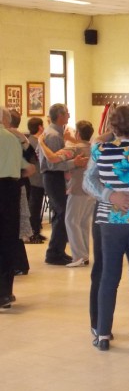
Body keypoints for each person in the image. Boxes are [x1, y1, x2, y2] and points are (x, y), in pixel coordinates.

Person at [90, 105, 129, 352]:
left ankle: (103, 334)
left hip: (110, 221)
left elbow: (89, 181)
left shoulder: (101, 151)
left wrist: (110, 194)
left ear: (113, 126)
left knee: (108, 278)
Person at [38, 120, 96, 267]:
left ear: (77, 133)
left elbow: (52, 158)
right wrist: (69, 140)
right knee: (83, 222)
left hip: (77, 189)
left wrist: (41, 143)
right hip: (91, 191)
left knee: (71, 221)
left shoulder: (75, 149)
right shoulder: (94, 148)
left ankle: (78, 256)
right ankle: (84, 255)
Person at [0, 106, 35, 309]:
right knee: (8, 240)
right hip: (10, 190)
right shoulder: (12, 138)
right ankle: (5, 293)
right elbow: (30, 166)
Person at [26, 117, 46, 244]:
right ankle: (33, 232)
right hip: (35, 179)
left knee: (36, 205)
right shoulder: (35, 142)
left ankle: (36, 230)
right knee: (34, 206)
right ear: (40, 127)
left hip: (36, 178)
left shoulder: (30, 141)